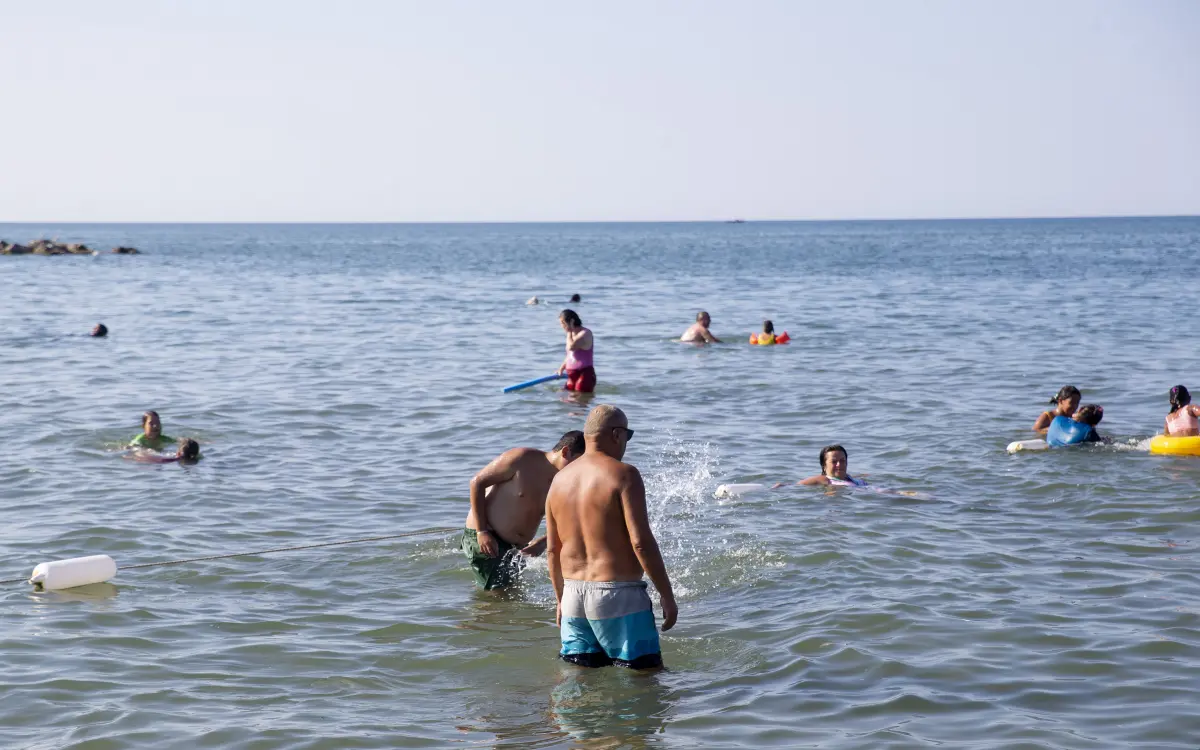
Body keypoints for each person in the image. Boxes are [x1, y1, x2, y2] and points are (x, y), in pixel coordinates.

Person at [546, 405, 677, 670]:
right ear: (617, 434)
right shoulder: (624, 474)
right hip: (618, 597)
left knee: (578, 688)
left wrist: (560, 600)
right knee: (643, 683)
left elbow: (552, 549)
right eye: (628, 436)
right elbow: (640, 542)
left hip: (572, 596)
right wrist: (667, 594)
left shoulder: (558, 481)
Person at [462, 430, 585, 590]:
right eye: (579, 463)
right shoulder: (522, 459)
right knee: (499, 596)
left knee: (508, 595)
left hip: (519, 547)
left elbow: (570, 522)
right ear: (566, 452)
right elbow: (477, 483)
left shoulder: (566, 483)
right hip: (488, 537)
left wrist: (541, 544)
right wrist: (481, 532)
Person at [556, 309, 595, 393]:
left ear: (572, 321)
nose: (562, 326)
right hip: (571, 375)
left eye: (563, 323)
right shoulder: (570, 335)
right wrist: (561, 368)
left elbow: (571, 347)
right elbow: (570, 355)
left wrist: (569, 332)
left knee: (579, 401)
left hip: (584, 374)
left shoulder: (585, 333)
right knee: (564, 398)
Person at [797, 445, 867, 487]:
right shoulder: (824, 479)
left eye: (842, 461)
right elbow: (798, 485)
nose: (839, 464)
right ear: (824, 466)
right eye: (834, 461)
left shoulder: (848, 477)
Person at [126, 438, 200, 463]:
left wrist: (132, 458)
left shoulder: (172, 459)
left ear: (178, 453)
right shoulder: (195, 460)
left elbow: (153, 459)